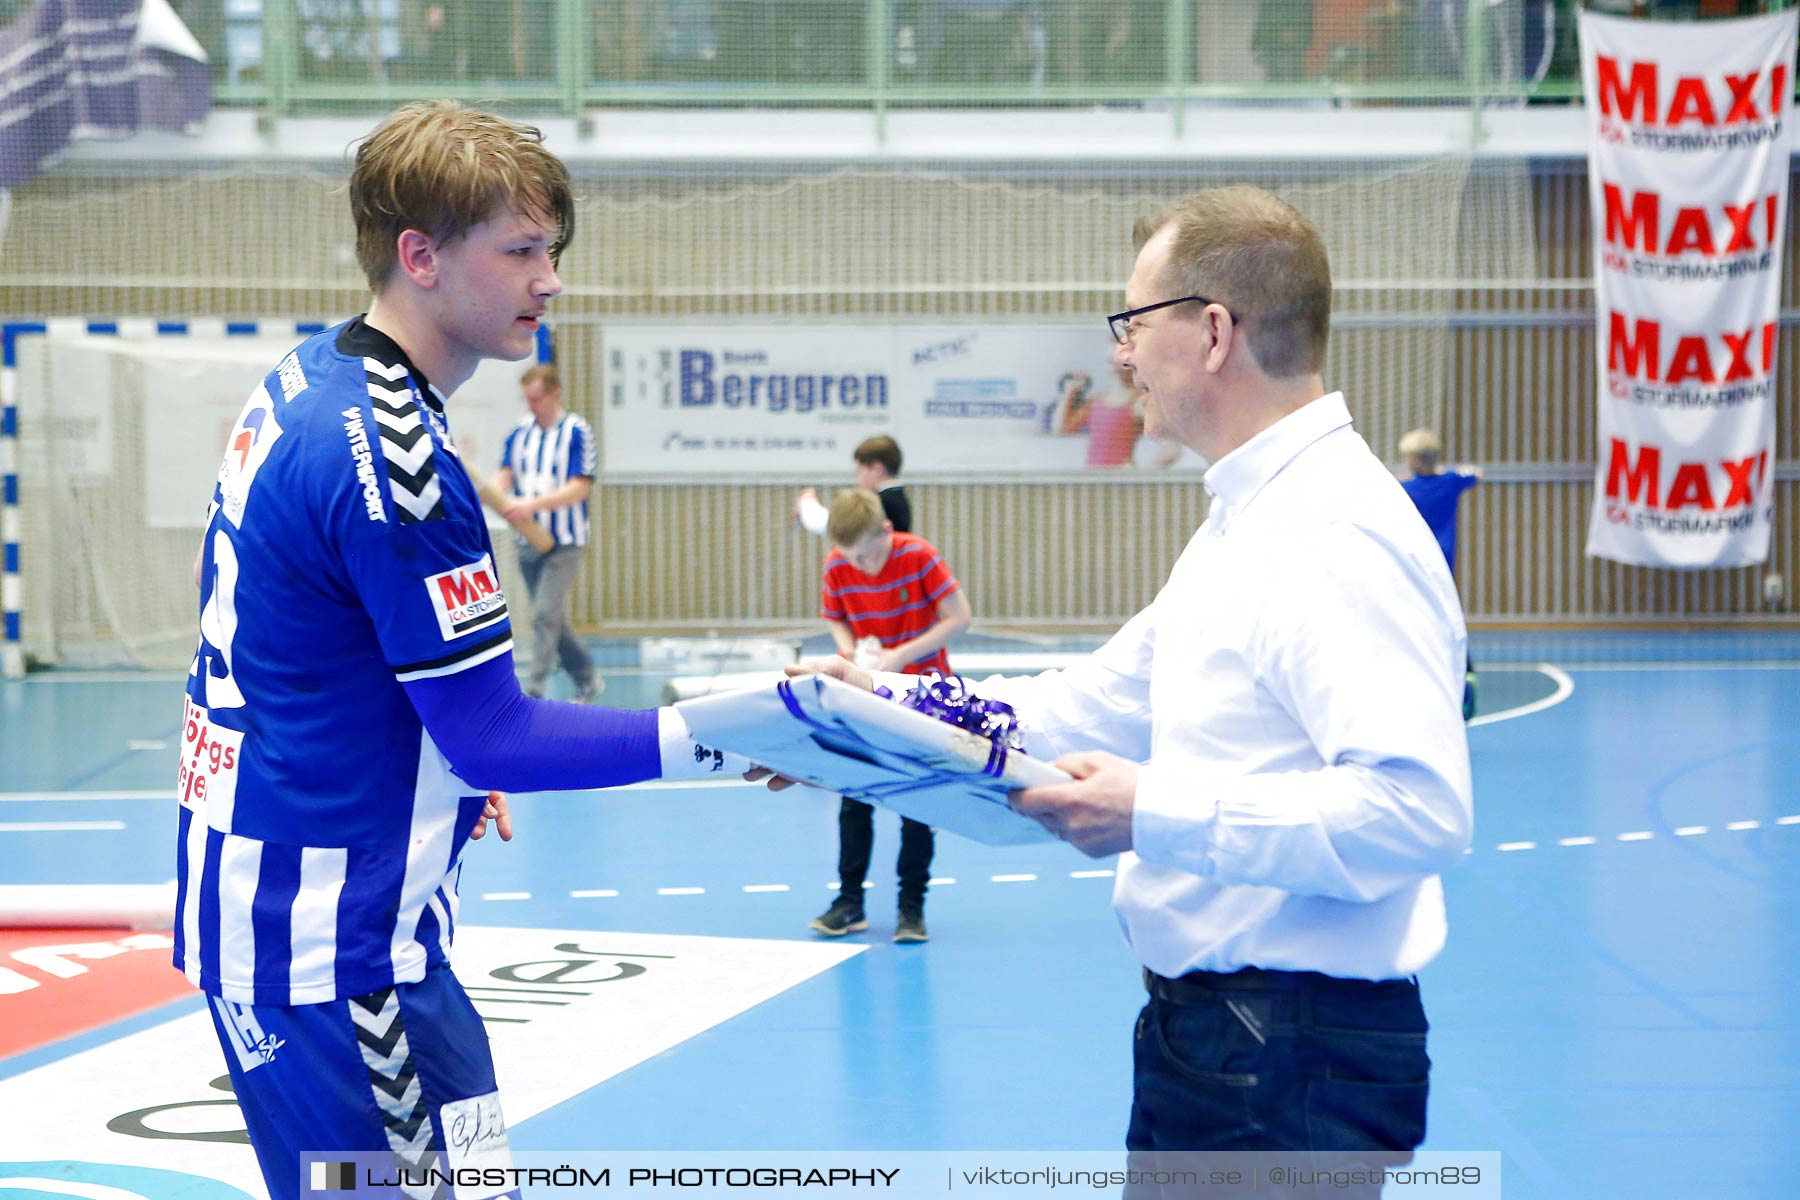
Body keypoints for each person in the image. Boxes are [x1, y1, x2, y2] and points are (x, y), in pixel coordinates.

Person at [780, 186, 1472, 1180]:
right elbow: (1083, 704)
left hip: (1292, 1055)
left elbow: (1419, 810)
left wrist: (1154, 811)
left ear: (1216, 332)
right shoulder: (1246, 522)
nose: (1121, 355)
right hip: (1222, 1043)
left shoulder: (1336, 530)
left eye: (1135, 323)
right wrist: (861, 717)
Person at [177, 100, 743, 1200]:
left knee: (477, 1178)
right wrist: (733, 736)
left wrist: (433, 770)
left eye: (553, 251)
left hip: (336, 916)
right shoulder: (401, 463)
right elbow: (494, 730)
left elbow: (309, 640)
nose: (552, 280)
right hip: (337, 958)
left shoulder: (308, 375)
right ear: (421, 255)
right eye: (523, 251)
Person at [809, 488, 971, 945]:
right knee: (854, 797)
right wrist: (847, 649)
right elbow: (834, 614)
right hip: (865, 693)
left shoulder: (919, 556)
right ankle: (849, 902)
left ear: (886, 530)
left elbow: (960, 617)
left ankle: (911, 907)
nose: (858, 566)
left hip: (925, 693)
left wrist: (903, 654)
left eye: (866, 555)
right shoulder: (839, 563)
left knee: (919, 804)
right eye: (850, 557)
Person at [493, 364, 603, 701]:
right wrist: (498, 496)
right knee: (552, 617)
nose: (532, 406)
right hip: (527, 540)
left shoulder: (577, 432)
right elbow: (505, 474)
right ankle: (587, 677)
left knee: (543, 615)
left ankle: (535, 690)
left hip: (565, 541)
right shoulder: (520, 432)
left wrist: (532, 505)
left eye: (537, 399)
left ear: (554, 392)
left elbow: (578, 488)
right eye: (527, 399)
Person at [1398, 427, 1481, 720]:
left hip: (1413, 567)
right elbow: (1475, 473)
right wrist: (1450, 471)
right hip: (1443, 566)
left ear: (1415, 461)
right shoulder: (1451, 482)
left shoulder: (1404, 490)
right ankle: (1465, 678)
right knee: (1447, 620)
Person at [795, 434, 911, 537]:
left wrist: (807, 502)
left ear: (877, 469)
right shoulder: (897, 498)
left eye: (859, 471)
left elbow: (833, 526)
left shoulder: (883, 503)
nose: (858, 479)